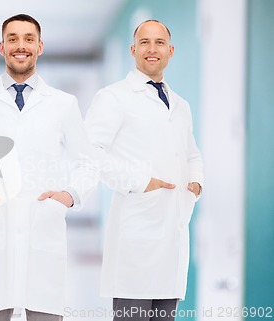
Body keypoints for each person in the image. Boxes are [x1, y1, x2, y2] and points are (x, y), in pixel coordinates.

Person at [0, 14, 97, 321]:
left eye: (29, 39)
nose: (21, 46)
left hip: (43, 230)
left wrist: (70, 195)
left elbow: (87, 162)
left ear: (40, 46)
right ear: (2, 46)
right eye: (13, 39)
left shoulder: (63, 104)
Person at [84, 20, 204, 321]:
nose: (152, 49)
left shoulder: (181, 105)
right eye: (145, 42)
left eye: (160, 42)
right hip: (135, 239)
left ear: (171, 50)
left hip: (172, 237)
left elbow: (190, 153)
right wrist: (141, 182)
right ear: (133, 49)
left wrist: (196, 184)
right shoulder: (113, 97)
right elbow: (90, 152)